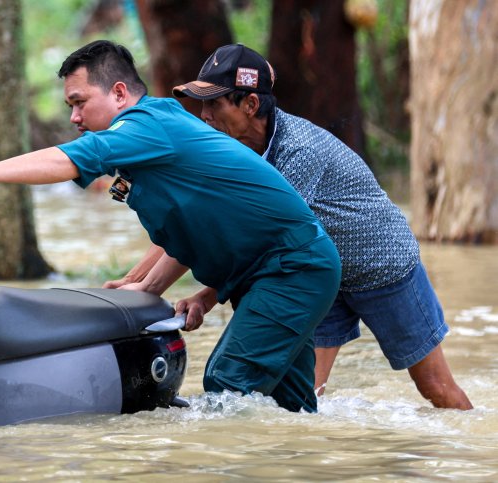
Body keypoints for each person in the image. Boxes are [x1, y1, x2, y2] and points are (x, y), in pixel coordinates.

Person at [0, 40, 341, 413]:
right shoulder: (151, 141)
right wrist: (144, 289)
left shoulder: (147, 126)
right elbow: (188, 234)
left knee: (226, 384)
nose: (74, 116)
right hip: (275, 271)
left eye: (79, 102)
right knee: (291, 409)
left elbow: (68, 159)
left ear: (119, 94)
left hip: (292, 269)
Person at [110, 44, 471, 409]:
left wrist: (204, 297)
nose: (204, 116)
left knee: (436, 388)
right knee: (302, 400)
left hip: (381, 266)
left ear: (250, 105)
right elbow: (196, 222)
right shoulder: (233, 152)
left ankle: (474, 450)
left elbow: (249, 237)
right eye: (202, 105)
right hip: (318, 274)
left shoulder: (298, 152)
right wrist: (134, 284)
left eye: (215, 104)